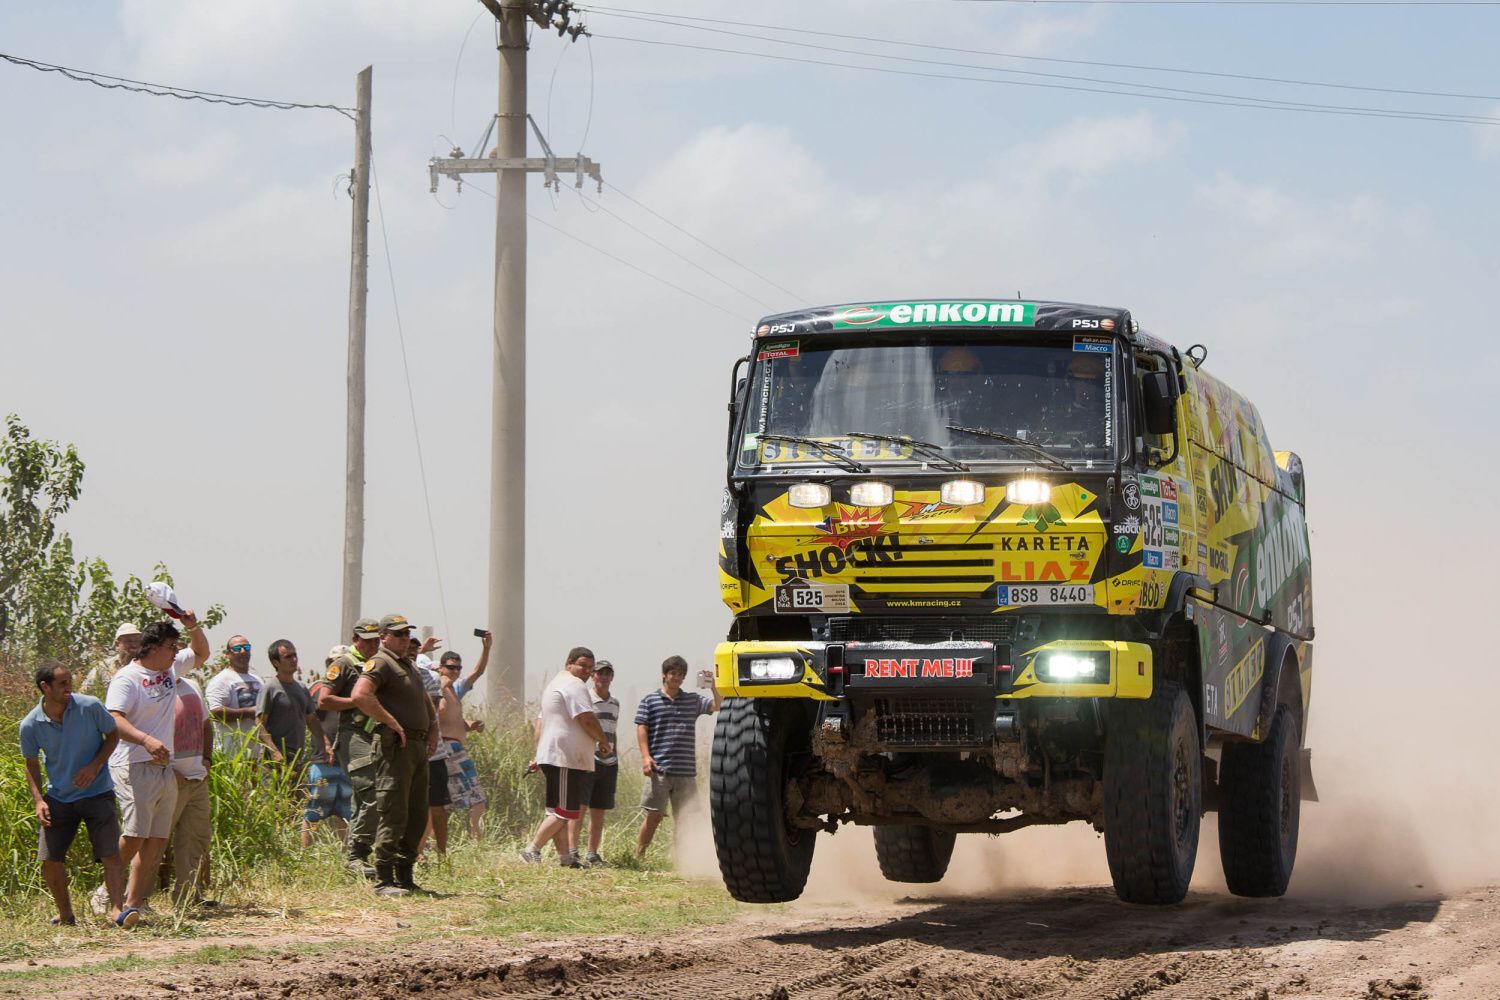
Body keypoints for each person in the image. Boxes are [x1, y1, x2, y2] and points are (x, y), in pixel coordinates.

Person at [106, 613, 210, 924]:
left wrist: (191, 625)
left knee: (157, 838)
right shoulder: (126, 678)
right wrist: (146, 740)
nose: (177, 652)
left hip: (163, 768)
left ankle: (133, 905)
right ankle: (105, 891)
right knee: (135, 835)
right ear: (152, 647)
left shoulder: (170, 668)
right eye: (171, 646)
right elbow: (114, 719)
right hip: (134, 764)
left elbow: (202, 653)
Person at [20, 661, 131, 928]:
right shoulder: (30, 724)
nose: (69, 687)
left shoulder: (89, 705)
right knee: (49, 859)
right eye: (62, 683)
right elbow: (31, 763)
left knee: (110, 853)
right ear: (44, 687)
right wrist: (39, 801)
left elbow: (113, 733)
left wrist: (95, 766)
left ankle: (118, 911)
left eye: (70, 681)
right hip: (58, 797)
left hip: (98, 792)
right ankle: (66, 915)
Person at [349, 614, 439, 897]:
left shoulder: (408, 665)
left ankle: (405, 875)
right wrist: (391, 721)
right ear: (384, 637)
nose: (404, 639)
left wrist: (433, 728)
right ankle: (384, 878)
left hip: (417, 746)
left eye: (406, 635)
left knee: (416, 812)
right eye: (398, 634)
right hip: (395, 747)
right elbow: (360, 695)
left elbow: (425, 702)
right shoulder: (381, 662)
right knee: (393, 810)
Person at [521, 647, 610, 868]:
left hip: (554, 756)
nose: (586, 672)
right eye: (582, 665)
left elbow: (540, 726)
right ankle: (531, 850)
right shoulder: (574, 685)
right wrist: (603, 741)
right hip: (564, 758)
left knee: (556, 811)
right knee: (565, 812)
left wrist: (538, 753)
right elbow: (586, 719)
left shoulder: (556, 683)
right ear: (569, 663)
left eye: (590, 668)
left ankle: (566, 859)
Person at [635, 655, 722, 858]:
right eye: (673, 673)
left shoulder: (692, 700)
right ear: (664, 675)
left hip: (685, 771)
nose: (677, 678)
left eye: (681, 674)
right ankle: (639, 856)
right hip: (660, 769)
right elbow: (641, 728)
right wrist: (645, 757)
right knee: (654, 816)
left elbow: (718, 705)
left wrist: (713, 685)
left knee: (683, 819)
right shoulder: (650, 701)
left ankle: (681, 861)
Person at [317, 618, 381, 877]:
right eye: (367, 640)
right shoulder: (343, 664)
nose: (371, 645)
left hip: (374, 735)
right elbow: (324, 700)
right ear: (355, 640)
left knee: (363, 796)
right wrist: (356, 702)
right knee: (372, 790)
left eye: (376, 640)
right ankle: (357, 854)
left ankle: (357, 855)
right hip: (353, 735)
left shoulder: (377, 664)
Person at [163, 669, 214, 907]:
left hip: (196, 777)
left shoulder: (192, 685)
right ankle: (134, 900)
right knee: (153, 841)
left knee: (195, 838)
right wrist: (167, 770)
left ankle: (186, 897)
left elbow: (206, 724)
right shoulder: (151, 687)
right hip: (167, 778)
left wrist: (207, 759)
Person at [437, 634, 491, 841]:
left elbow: (477, 672)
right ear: (441, 667)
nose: (455, 672)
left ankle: (475, 839)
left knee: (442, 800)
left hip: (455, 748)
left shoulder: (455, 690)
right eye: (451, 667)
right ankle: (476, 839)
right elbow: (436, 716)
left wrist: (486, 649)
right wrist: (441, 683)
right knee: (476, 797)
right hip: (447, 749)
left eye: (458, 668)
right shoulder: (438, 686)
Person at [571, 659, 620, 867]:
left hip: (609, 762)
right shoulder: (586, 699)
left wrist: (614, 753)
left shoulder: (615, 703)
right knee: (579, 808)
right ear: (593, 676)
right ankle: (572, 851)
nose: (604, 677)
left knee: (599, 810)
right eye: (600, 673)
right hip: (588, 760)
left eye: (608, 673)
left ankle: (592, 852)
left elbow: (612, 731)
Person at [303, 644, 353, 847]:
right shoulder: (318, 687)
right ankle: (304, 857)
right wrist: (326, 744)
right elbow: (311, 717)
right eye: (334, 663)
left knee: (346, 812)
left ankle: (348, 857)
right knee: (315, 811)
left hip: (347, 760)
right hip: (324, 760)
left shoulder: (354, 689)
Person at [409, 636, 453, 857]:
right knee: (410, 806)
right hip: (408, 752)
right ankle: (414, 851)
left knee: (437, 807)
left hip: (434, 753)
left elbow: (433, 712)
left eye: (416, 650)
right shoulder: (394, 674)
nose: (412, 653)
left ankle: (442, 855)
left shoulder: (430, 677)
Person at [254, 639, 326, 767]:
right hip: (274, 763)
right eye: (288, 657)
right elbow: (260, 724)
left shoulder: (302, 688)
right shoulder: (270, 689)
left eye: (295, 655)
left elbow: (311, 720)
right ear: (276, 662)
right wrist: (274, 752)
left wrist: (325, 743)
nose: (294, 660)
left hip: (297, 760)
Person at [204, 635, 263, 760]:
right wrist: (248, 712)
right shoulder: (221, 680)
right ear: (228, 654)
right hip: (231, 756)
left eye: (246, 647)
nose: (243, 651)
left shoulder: (257, 680)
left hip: (256, 756)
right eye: (237, 648)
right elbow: (214, 712)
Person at [80, 623, 142, 697]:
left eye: (137, 641)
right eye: (128, 641)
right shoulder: (103, 667)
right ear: (117, 644)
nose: (134, 645)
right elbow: (84, 692)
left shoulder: (147, 666)